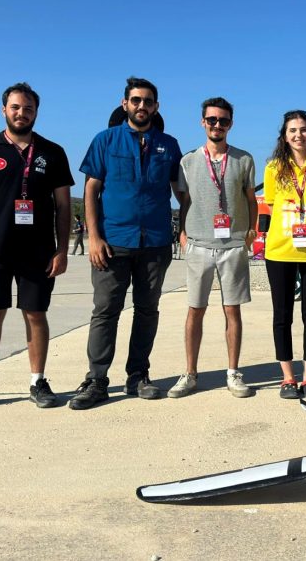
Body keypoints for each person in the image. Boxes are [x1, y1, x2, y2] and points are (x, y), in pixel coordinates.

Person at [0, 82, 73, 412]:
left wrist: (61, 250)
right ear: (4, 110)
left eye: (28, 108)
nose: (22, 113)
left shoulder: (52, 152)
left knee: (35, 313)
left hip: (38, 250)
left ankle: (38, 381)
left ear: (36, 112)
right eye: (16, 107)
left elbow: (63, 206)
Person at [69, 76, 183, 410]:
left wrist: (189, 224)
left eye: (147, 101)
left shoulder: (169, 145)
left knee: (147, 311)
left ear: (156, 106)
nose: (141, 106)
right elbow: (91, 190)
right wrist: (93, 237)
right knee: (106, 311)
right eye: (136, 100)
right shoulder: (105, 140)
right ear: (125, 104)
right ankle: (96, 379)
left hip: (155, 243)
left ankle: (138, 376)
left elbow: (181, 192)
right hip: (113, 242)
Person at [168, 97, 258, 399]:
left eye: (223, 120)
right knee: (195, 309)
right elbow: (184, 201)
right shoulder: (188, 161)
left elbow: (251, 199)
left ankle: (233, 372)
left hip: (233, 245)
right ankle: (190, 373)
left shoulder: (244, 159)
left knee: (232, 309)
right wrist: (182, 232)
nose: (217, 125)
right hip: (198, 244)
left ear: (230, 124)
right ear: (202, 122)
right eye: (212, 120)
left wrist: (251, 231)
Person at [263, 110, 306, 399]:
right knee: (282, 315)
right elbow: (271, 203)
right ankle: (287, 378)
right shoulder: (273, 168)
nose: (298, 135)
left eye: (303, 129)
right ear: (284, 136)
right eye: (292, 130)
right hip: (280, 249)